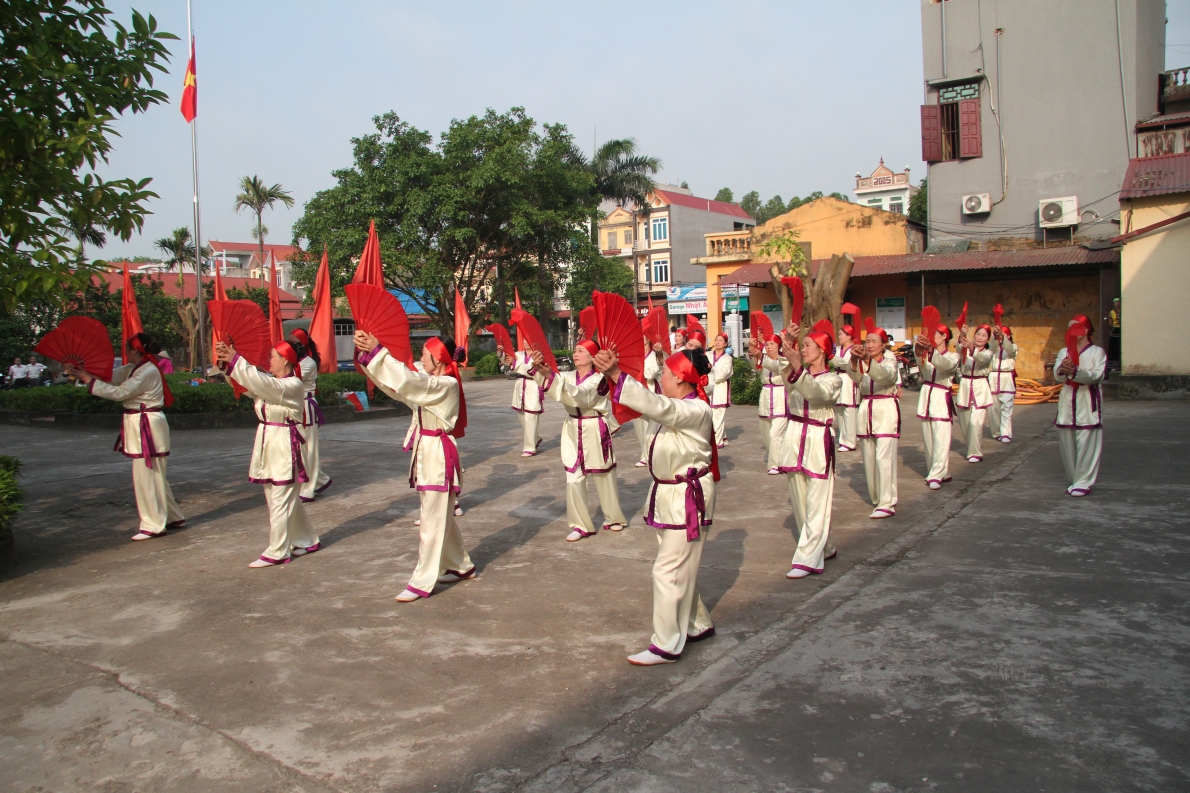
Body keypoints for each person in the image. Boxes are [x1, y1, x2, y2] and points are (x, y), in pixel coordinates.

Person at [594, 345, 716, 666]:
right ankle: (696, 623)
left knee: (666, 571)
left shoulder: (696, 409)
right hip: (667, 494)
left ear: (679, 377)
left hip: (685, 496)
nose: (659, 375)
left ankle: (666, 644)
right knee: (680, 566)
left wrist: (619, 375)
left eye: (664, 372)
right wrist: (612, 376)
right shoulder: (672, 407)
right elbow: (647, 405)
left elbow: (658, 406)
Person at [355, 331, 475, 599]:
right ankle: (461, 565)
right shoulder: (432, 384)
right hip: (428, 453)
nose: (420, 356)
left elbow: (410, 381)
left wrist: (379, 352)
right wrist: (369, 360)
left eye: (424, 352)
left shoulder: (446, 384)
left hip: (438, 455)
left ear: (438, 358)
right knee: (436, 514)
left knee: (431, 520)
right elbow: (400, 389)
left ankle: (422, 581)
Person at [68, 333, 185, 541]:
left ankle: (153, 524)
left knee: (146, 474)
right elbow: (110, 376)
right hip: (143, 422)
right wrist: (82, 372)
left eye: (127, 349)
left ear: (135, 351)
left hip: (146, 423)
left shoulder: (147, 370)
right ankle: (172, 516)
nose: (125, 352)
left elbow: (120, 393)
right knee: (155, 473)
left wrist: (87, 380)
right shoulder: (136, 368)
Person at [216, 338, 321, 567]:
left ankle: (278, 551)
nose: (268, 360)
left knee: (280, 498)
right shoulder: (271, 384)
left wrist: (236, 359)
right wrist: (227, 366)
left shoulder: (292, 385)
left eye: (273, 356)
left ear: (285, 359)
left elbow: (260, 383)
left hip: (285, 445)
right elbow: (249, 385)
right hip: (267, 443)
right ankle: (307, 539)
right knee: (282, 499)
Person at [527, 338, 628, 541]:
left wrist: (550, 376)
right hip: (572, 427)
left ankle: (613, 517)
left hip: (594, 426)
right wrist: (539, 367)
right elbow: (551, 381)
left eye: (581, 351)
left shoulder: (599, 379)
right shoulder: (568, 375)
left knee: (603, 474)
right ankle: (580, 525)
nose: (575, 354)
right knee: (573, 477)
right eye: (575, 350)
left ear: (593, 356)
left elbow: (580, 395)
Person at [765, 327, 841, 579]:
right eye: (803, 345)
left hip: (818, 439)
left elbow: (816, 394)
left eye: (808, 345)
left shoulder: (833, 379)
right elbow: (783, 371)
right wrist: (785, 346)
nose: (804, 349)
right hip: (795, 436)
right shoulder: (798, 372)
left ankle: (807, 559)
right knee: (800, 501)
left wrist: (796, 366)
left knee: (817, 502)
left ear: (822, 350)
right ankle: (825, 547)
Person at [849, 325, 900, 518]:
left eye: (874, 341)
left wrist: (868, 361)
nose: (869, 345)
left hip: (885, 409)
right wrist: (854, 359)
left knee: (884, 458)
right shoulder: (863, 362)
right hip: (866, 409)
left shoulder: (890, 362)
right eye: (867, 341)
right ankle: (878, 498)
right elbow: (854, 377)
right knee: (869, 459)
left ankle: (888, 502)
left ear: (883, 345)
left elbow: (886, 377)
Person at [1053, 315, 1106, 496]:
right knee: (1067, 439)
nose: (1073, 329)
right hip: (1068, 398)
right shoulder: (1064, 352)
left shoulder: (1097, 352)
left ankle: (1084, 481)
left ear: (1086, 329)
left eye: (1077, 326)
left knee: (1087, 438)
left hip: (1087, 398)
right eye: (1070, 327)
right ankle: (1074, 478)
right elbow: (1057, 376)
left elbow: (1096, 375)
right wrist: (1062, 369)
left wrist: (1076, 372)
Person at [914, 323, 960, 490]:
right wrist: (919, 347)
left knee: (941, 438)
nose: (933, 338)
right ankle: (941, 471)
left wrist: (931, 351)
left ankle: (936, 474)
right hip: (927, 395)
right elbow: (919, 361)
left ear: (944, 337)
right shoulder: (927, 355)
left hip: (941, 397)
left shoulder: (953, 357)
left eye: (936, 334)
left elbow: (945, 365)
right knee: (929, 440)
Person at [291, 328, 332, 502]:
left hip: (306, 407)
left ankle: (309, 487)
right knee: (299, 449)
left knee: (309, 449)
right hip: (295, 406)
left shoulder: (308, 363)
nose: (290, 343)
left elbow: (290, 380)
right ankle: (320, 479)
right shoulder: (294, 362)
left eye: (293, 341)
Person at [954, 324, 995, 463]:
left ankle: (975, 453)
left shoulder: (988, 353)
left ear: (987, 339)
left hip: (980, 387)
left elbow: (983, 360)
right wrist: (962, 335)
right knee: (965, 424)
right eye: (978, 334)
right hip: (965, 386)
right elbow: (958, 348)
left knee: (975, 422)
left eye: (984, 335)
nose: (980, 337)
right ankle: (973, 445)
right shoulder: (965, 348)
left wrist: (972, 349)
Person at [750, 332, 787, 475]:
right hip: (765, 397)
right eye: (767, 344)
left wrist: (761, 356)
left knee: (775, 433)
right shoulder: (764, 360)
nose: (769, 346)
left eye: (772, 344)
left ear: (779, 346)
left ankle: (775, 464)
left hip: (780, 398)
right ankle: (781, 457)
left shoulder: (784, 360)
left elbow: (776, 367)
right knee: (766, 434)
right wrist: (753, 352)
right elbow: (755, 367)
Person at [504, 342, 544, 457]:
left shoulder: (538, 355)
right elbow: (506, 361)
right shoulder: (518, 354)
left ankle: (529, 448)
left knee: (531, 416)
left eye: (529, 339)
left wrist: (515, 362)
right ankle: (535, 439)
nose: (526, 342)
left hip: (533, 386)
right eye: (524, 340)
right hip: (520, 386)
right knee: (522, 418)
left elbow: (531, 371)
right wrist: (501, 353)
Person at [632, 341, 666, 467]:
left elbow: (650, 374)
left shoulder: (655, 355)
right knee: (640, 427)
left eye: (643, 336)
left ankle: (650, 455)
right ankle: (645, 454)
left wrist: (637, 371)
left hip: (651, 394)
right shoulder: (634, 356)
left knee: (651, 427)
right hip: (637, 394)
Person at [831, 325, 860, 452]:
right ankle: (844, 440)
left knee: (849, 411)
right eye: (839, 334)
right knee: (839, 411)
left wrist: (833, 359)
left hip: (849, 379)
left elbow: (847, 364)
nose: (839, 336)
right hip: (838, 379)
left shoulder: (854, 350)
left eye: (842, 334)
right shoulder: (837, 349)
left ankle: (850, 441)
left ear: (849, 335)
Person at [988, 325, 1017, 443]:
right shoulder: (994, 348)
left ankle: (1005, 433)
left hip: (1007, 378)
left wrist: (1003, 338)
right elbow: (991, 348)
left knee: (1007, 407)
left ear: (1009, 336)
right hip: (993, 377)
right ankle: (997, 432)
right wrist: (995, 338)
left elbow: (1010, 350)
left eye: (1004, 335)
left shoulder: (1013, 347)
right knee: (993, 408)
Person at [707, 332, 734, 448]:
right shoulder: (707, 354)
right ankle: (722, 436)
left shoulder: (728, 358)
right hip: (707, 387)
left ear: (725, 344)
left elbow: (724, 373)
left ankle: (718, 441)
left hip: (720, 388)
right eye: (716, 340)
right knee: (710, 415)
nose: (717, 342)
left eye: (720, 340)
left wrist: (711, 368)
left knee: (718, 415)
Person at [1107, 298, 1121, 369]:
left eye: (1118, 302)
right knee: (1114, 347)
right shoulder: (1112, 312)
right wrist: (1114, 326)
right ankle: (1114, 365)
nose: (1117, 304)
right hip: (1115, 329)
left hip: (1122, 329)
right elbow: (1110, 322)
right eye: (1115, 302)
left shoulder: (1123, 310)